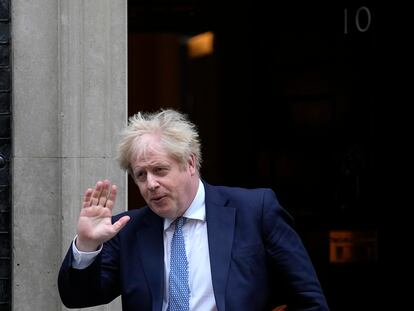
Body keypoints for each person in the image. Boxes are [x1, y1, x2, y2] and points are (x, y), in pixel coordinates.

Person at [58, 108, 329, 310]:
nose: (150, 184)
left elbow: (309, 300)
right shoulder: (126, 230)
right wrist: (87, 245)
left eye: (160, 170)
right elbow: (77, 298)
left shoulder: (254, 211)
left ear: (190, 163)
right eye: (141, 175)